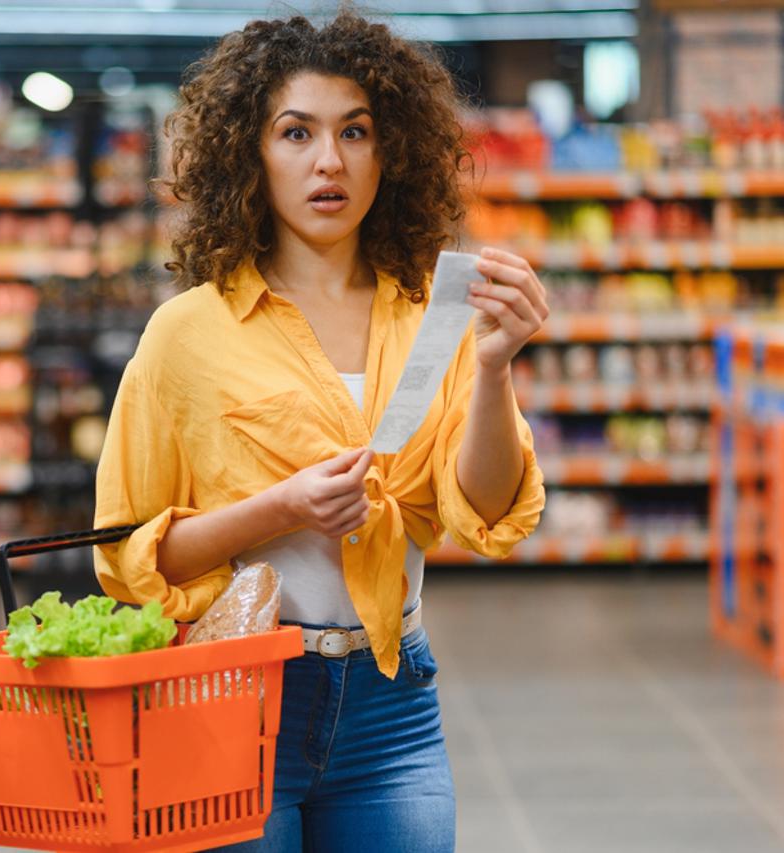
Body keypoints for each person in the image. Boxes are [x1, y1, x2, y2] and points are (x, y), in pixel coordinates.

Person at [93, 9, 546, 853]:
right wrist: (282, 508)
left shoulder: (434, 316)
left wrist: (493, 366)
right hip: (233, 695)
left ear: (391, 152)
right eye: (295, 132)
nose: (328, 160)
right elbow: (129, 558)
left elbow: (485, 511)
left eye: (355, 131)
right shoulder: (186, 334)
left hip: (392, 705)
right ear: (249, 152)